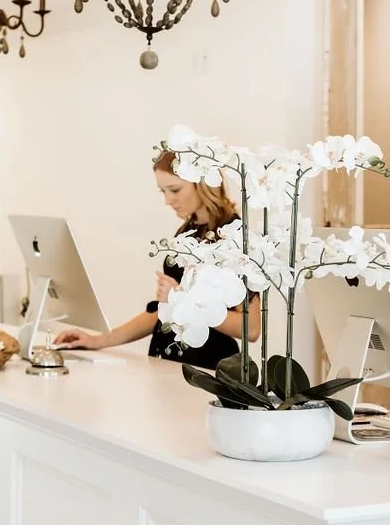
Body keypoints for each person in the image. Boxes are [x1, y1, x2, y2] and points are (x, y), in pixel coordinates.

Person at [54, 148, 260, 368]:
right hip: (170, 364)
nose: (168, 201)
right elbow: (162, 311)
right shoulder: (187, 231)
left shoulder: (233, 237)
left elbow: (251, 328)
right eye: (163, 191)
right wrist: (99, 340)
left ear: (202, 183)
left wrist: (185, 300)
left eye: (174, 190)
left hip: (207, 370)